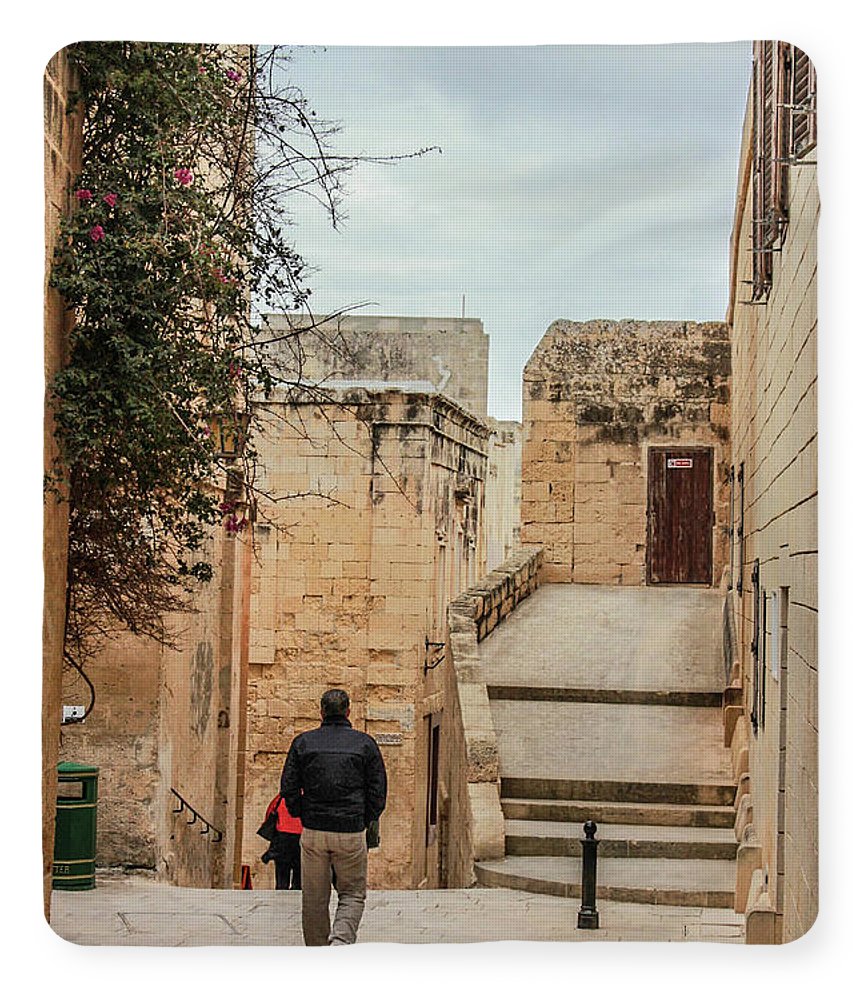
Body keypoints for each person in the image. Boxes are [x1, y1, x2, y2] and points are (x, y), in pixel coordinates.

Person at [281, 688, 387, 946]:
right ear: (349, 711)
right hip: (350, 831)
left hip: (315, 830)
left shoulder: (303, 743)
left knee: (314, 898)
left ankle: (318, 952)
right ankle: (340, 943)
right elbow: (378, 790)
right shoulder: (365, 744)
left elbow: (288, 787)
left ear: (321, 712)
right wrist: (364, 818)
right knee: (352, 894)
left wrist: (302, 813)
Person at [260, 793, 303, 890]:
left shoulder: (281, 797)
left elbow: (270, 813)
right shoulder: (308, 798)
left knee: (282, 872)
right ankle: (297, 891)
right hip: (300, 838)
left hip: (282, 838)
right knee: (299, 871)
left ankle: (281, 892)